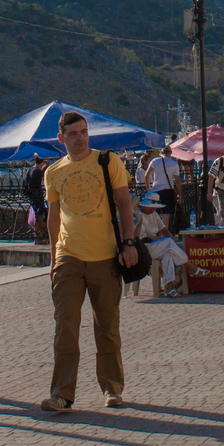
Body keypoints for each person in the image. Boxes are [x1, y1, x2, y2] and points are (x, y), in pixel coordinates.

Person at [41, 111, 138, 413]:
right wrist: (53, 257)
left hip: (106, 255)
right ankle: (61, 394)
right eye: (73, 133)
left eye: (83, 132)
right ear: (61, 138)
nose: (80, 138)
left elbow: (124, 203)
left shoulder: (108, 162)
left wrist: (129, 242)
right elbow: (54, 217)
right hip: (68, 256)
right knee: (65, 326)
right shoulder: (53, 172)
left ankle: (112, 388)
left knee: (107, 326)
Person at [135, 194, 188, 297]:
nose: (154, 209)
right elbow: (142, 235)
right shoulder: (138, 215)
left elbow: (164, 230)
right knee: (167, 243)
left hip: (154, 245)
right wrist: (163, 239)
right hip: (144, 247)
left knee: (167, 254)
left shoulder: (154, 215)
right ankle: (189, 265)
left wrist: (171, 240)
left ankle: (168, 287)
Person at [144, 146, 181, 231]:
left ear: (161, 152)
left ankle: (153, 231)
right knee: (166, 214)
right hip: (168, 190)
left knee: (154, 213)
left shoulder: (155, 161)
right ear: (170, 153)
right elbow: (177, 180)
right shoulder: (173, 163)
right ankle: (164, 234)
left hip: (155, 190)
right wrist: (180, 193)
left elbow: (146, 175)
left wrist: (148, 188)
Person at [24, 155, 49, 245]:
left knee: (37, 216)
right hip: (38, 196)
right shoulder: (38, 171)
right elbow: (46, 181)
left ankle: (38, 237)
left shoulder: (30, 169)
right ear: (42, 162)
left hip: (32, 196)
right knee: (40, 217)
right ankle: (43, 237)